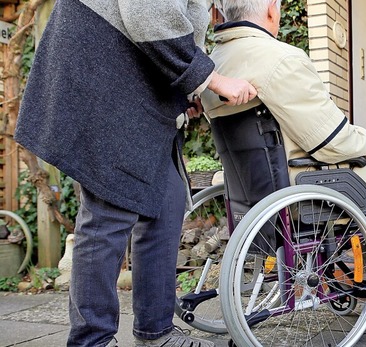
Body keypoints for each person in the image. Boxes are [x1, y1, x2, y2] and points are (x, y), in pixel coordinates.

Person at [14, 1, 257, 346]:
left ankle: (155, 332)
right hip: (106, 73)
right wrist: (210, 79)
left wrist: (188, 88)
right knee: (108, 211)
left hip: (134, 82)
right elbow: (148, 11)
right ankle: (92, 340)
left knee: (167, 199)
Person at [201, 0, 366, 259]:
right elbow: (333, 141)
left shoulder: (213, 67)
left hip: (251, 199)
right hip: (301, 198)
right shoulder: (281, 58)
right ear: (271, 9)